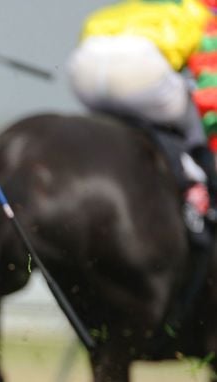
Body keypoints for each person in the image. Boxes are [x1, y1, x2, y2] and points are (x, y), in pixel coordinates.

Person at [68, 0, 217, 243]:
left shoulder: (137, 6)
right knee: (196, 121)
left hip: (82, 66)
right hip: (139, 68)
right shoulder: (205, 15)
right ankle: (200, 194)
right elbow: (210, 88)